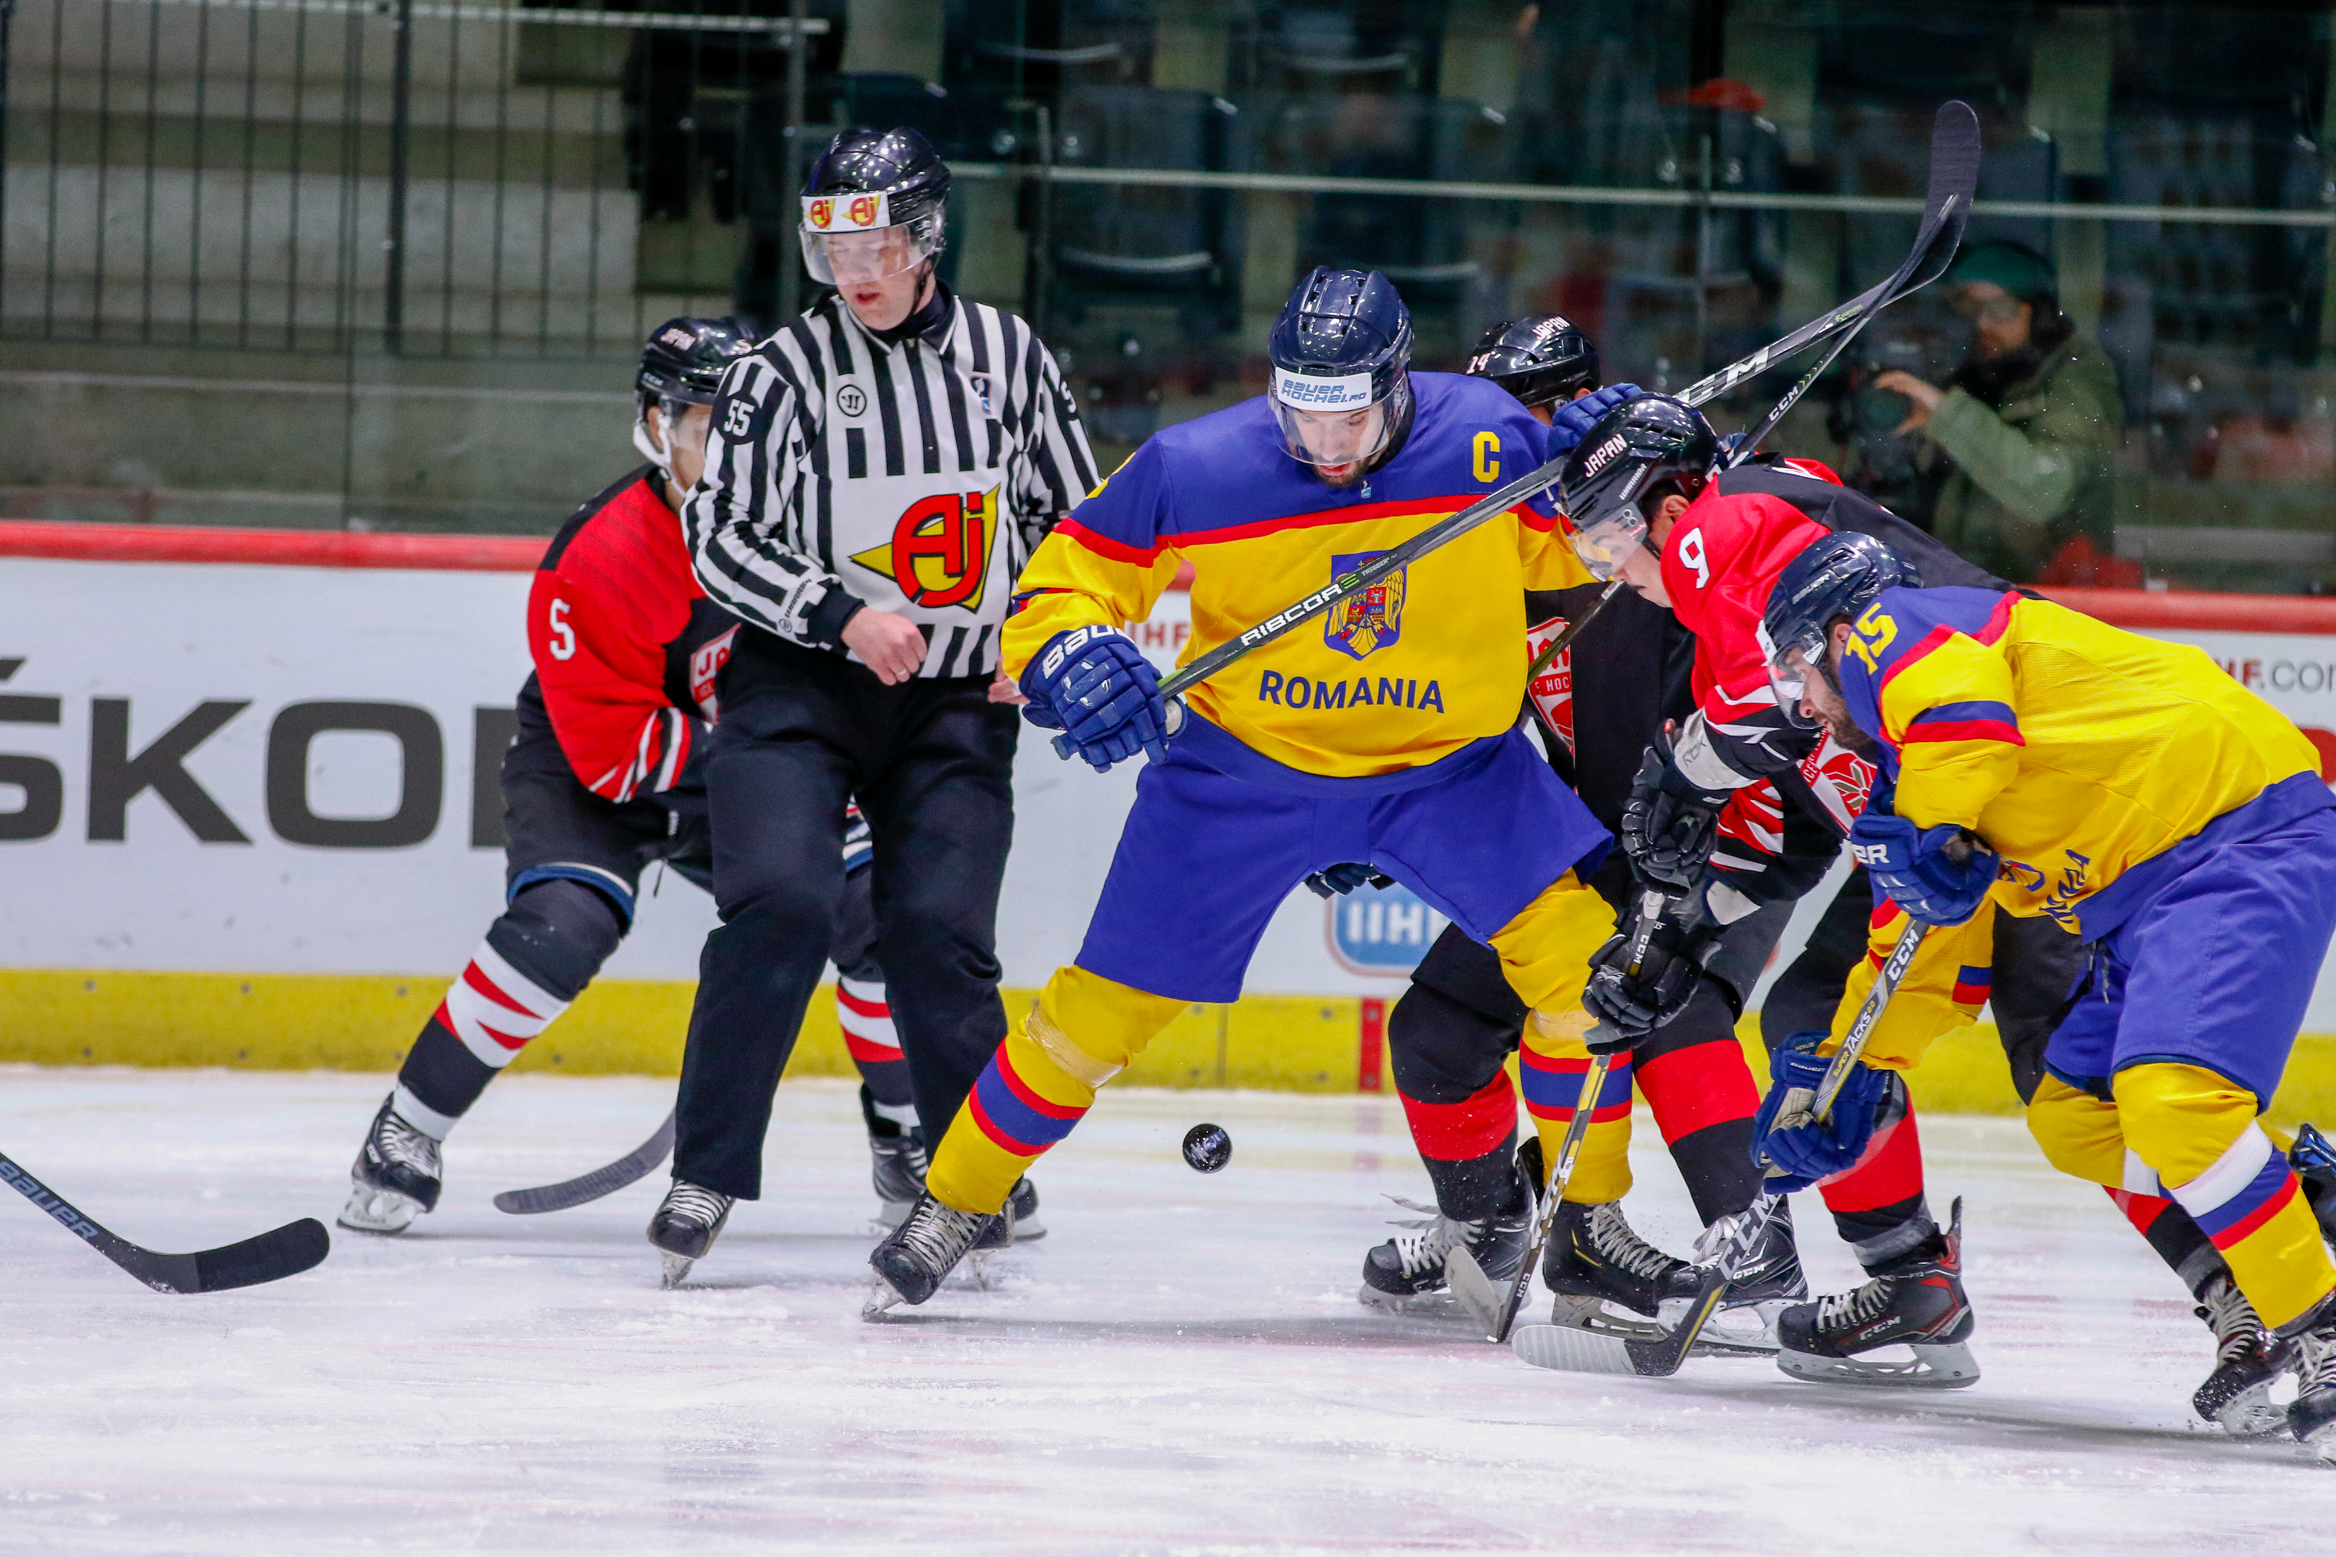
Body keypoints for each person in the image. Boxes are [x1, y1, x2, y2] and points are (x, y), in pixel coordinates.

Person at [864, 268, 1620, 1310]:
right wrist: (1072, 649)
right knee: (1097, 1013)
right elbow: (1059, 581)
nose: (1324, 448)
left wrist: (1622, 472)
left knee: (1581, 972)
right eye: (1301, 419)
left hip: (1452, 769)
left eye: (1348, 419)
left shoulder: (1487, 436)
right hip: (1241, 775)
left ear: (1397, 382)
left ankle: (1592, 1219)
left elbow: (1599, 545)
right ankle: (953, 1201)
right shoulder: (1195, 462)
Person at [339, 319, 925, 1238]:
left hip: (757, 754)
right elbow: (614, 760)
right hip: (600, 760)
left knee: (878, 917)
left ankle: (909, 1141)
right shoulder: (601, 558)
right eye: (708, 425)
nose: (736, 451)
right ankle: (406, 1128)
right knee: (559, 931)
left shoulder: (820, 529)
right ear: (657, 424)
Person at [1760, 535, 2336, 1454]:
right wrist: (1854, 1071)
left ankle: (2321, 1325)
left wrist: (1929, 825)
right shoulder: (1921, 770)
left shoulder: (1896, 629)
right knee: (2077, 1116)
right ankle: (2302, 1190)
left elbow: (1964, 720)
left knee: (2176, 1100)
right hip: (2145, 898)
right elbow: (1927, 955)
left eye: (1800, 666)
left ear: (1835, 633)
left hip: (2234, 842)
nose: (1810, 704)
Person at [1555, 392, 2082, 1388]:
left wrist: (1687, 771)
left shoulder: (1726, 526)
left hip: (2026, 799)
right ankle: (1908, 1281)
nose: (1613, 576)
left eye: (1610, 543)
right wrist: (1674, 936)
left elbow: (1761, 717)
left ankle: (2271, 1277)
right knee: (1817, 1014)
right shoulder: (1736, 607)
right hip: (1942, 826)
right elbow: (1794, 814)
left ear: (1666, 514)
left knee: (2079, 1074)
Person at [663, 127, 1095, 1283]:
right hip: (797, 689)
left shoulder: (1008, 357)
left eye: (881, 242)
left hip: (953, 703)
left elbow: (1075, 520)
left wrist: (1039, 631)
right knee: (781, 908)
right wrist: (834, 613)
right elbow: (719, 541)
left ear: (928, 235)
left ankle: (969, 1174)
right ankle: (705, 1171)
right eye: (832, 245)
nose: (856, 270)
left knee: (937, 938)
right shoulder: (776, 375)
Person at [1348, 317, 1805, 1346]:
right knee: (1432, 1035)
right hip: (1574, 845)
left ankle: (1755, 1248)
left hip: (1718, 827)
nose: (1497, 442)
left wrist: (1702, 465)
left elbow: (1771, 522)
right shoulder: (1485, 540)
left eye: (1523, 419)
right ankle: (1492, 1227)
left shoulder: (1663, 528)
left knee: (1663, 1004)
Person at [1870, 240, 2122, 584]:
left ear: (2041, 316)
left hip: (2046, 596)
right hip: (1956, 588)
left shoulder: (2077, 376)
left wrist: (1946, 415)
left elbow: (2045, 490)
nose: (1982, 324)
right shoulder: (1965, 372)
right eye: (1966, 309)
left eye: (2000, 310)